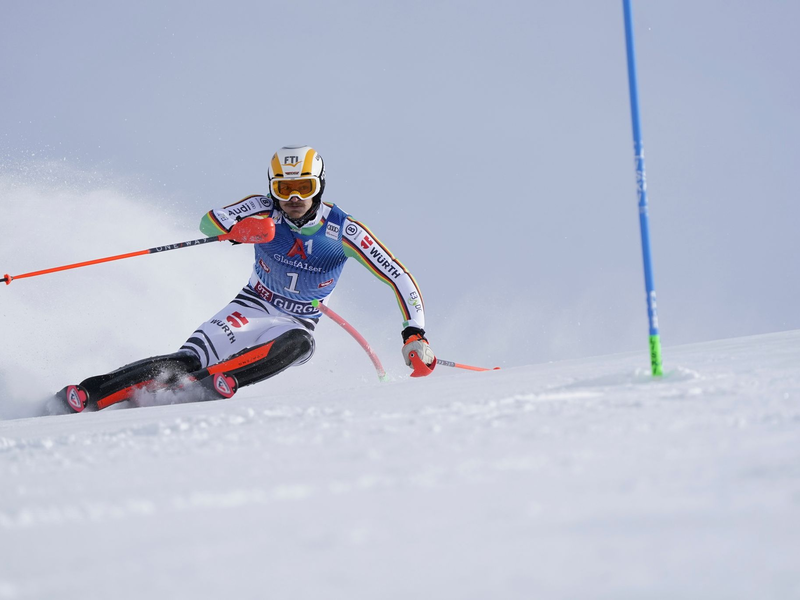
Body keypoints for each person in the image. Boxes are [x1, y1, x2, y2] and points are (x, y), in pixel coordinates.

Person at [55, 145, 436, 413]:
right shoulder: (263, 208)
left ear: (319, 186)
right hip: (251, 305)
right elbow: (209, 223)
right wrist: (241, 230)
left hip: (296, 319)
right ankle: (88, 394)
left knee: (301, 343)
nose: (294, 198)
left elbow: (398, 276)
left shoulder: (345, 230)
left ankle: (219, 381)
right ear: (273, 187)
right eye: (284, 188)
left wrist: (414, 334)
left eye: (304, 187)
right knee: (186, 360)